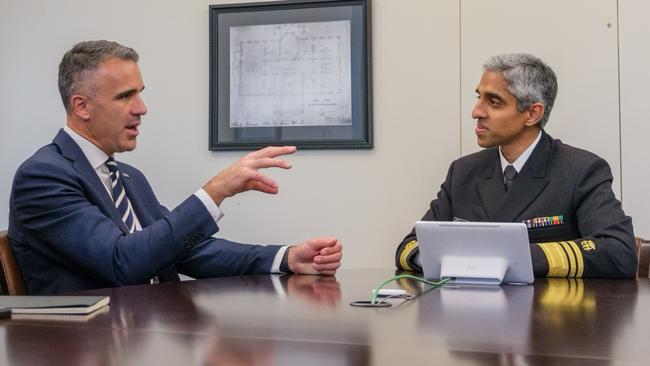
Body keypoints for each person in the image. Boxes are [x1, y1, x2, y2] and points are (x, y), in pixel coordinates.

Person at [8, 40, 342, 295]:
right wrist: (216, 190)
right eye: (125, 96)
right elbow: (121, 262)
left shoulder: (128, 177)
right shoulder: (43, 177)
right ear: (82, 106)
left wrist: (286, 257)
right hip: (91, 345)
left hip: (150, 332)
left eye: (140, 93)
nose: (142, 108)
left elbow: (186, 250)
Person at [395, 53, 636, 278]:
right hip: (468, 316)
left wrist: (511, 257)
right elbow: (410, 247)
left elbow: (619, 251)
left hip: (544, 318)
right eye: (479, 97)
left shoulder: (580, 170)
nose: (476, 112)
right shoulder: (463, 172)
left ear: (532, 113)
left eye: (494, 102)